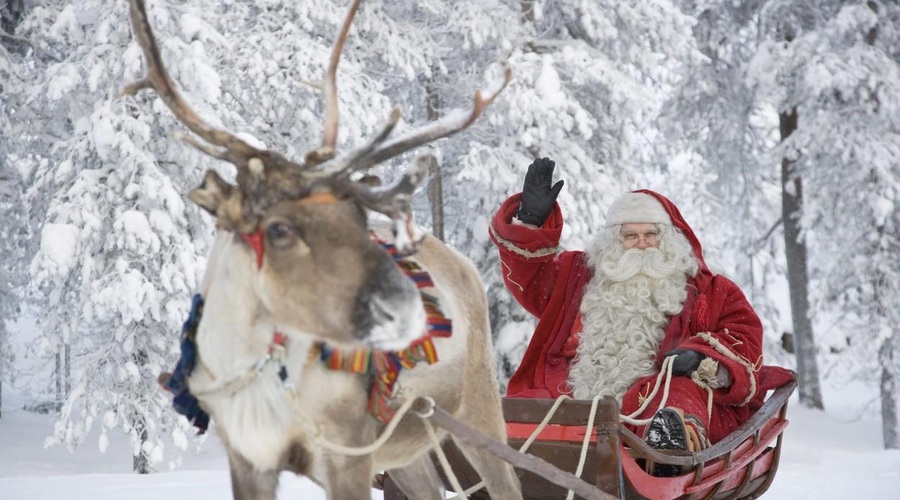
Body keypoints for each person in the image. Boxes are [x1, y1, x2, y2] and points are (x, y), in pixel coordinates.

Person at [489, 157, 793, 473]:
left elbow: (744, 339)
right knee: (526, 404)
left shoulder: (712, 290)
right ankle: (504, 459)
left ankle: (667, 454)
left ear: (671, 238)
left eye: (651, 234)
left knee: (680, 394)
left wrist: (700, 358)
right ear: (613, 242)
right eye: (630, 236)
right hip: (570, 396)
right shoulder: (577, 276)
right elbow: (530, 282)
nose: (642, 244)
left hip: (654, 402)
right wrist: (529, 222)